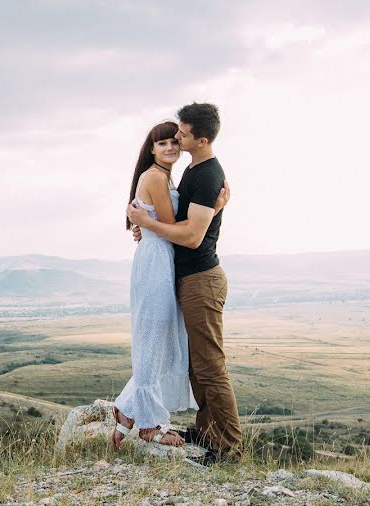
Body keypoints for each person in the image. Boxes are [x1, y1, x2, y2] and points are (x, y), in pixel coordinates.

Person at [126, 103, 241, 461]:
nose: (176, 138)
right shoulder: (189, 171)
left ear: (201, 139)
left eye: (183, 134)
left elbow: (191, 236)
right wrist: (146, 226)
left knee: (209, 365)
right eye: (172, 136)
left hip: (202, 278)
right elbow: (180, 222)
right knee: (197, 364)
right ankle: (208, 432)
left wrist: (147, 223)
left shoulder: (206, 175)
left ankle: (227, 449)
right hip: (186, 276)